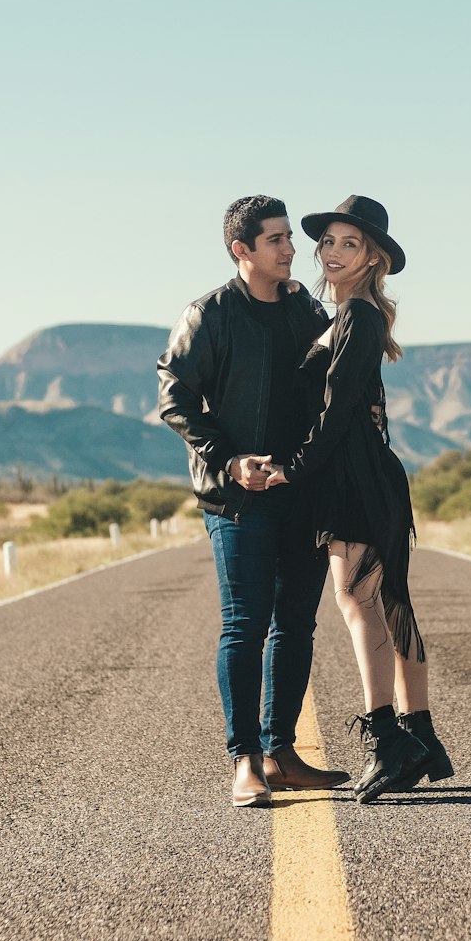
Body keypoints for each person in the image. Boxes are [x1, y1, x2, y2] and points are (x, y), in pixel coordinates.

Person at [157, 195, 351, 808]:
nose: (292, 248)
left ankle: (282, 754)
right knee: (246, 624)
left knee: (296, 624)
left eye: (290, 236)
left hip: (300, 491)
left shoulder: (304, 310)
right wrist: (230, 458)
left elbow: (332, 384)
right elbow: (175, 398)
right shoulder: (208, 314)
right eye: (276, 240)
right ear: (242, 250)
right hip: (235, 497)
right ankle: (244, 760)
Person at [265, 195, 453, 804]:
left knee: (356, 599)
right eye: (330, 242)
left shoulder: (360, 317)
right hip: (366, 468)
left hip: (354, 473)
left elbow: (338, 409)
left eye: (351, 243)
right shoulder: (341, 315)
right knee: (388, 601)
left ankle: (386, 740)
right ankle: (418, 732)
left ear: (373, 257)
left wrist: (292, 472)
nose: (334, 251)